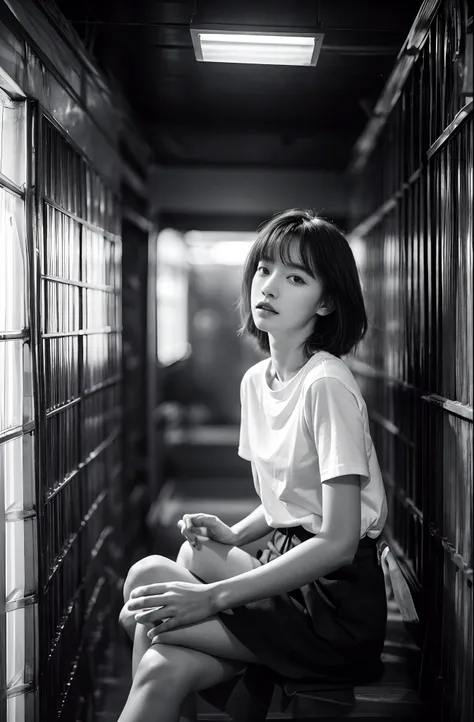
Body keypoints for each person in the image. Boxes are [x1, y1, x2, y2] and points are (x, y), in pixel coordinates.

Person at [117, 208, 388, 722]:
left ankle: (230, 687)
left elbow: (338, 541)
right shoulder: (256, 381)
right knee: (151, 577)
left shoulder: (325, 384)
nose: (270, 286)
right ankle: (220, 682)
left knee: (150, 617)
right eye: (264, 270)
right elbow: (285, 499)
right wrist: (235, 534)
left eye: (295, 278)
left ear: (327, 302)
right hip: (284, 571)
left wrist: (213, 599)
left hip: (334, 606)